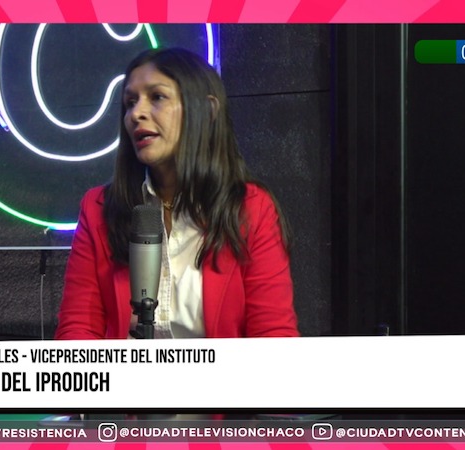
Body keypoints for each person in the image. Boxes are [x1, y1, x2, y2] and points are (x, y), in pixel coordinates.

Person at [55, 47, 298, 340]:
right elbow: (78, 330)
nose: (136, 114)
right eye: (130, 102)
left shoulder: (251, 209)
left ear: (207, 111)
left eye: (157, 97)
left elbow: (273, 336)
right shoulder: (98, 209)